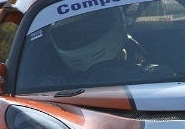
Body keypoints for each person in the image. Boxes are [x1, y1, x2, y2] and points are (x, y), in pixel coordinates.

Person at [44, 6, 172, 85]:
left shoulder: (160, 76)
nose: (83, 38)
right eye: (73, 37)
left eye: (90, 31)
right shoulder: (51, 90)